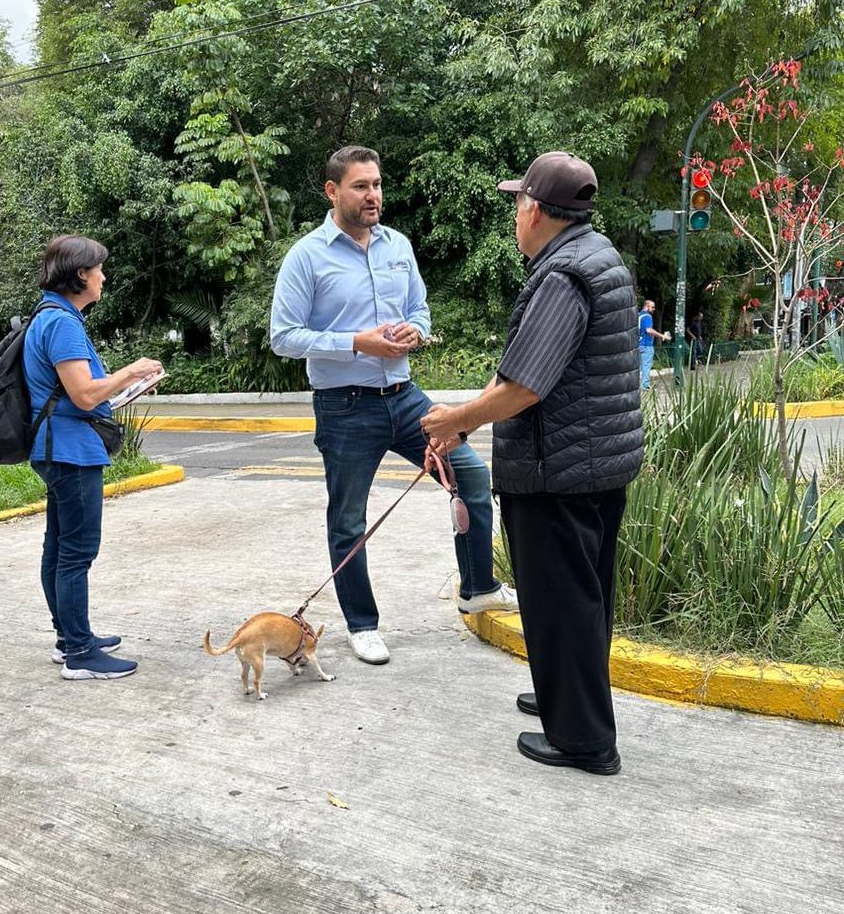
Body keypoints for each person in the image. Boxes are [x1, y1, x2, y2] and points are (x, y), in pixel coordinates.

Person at [420, 152, 644, 775]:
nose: (515, 213)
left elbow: (525, 384)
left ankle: (582, 740)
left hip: (558, 473)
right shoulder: (597, 256)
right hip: (593, 466)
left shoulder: (562, 276)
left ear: (538, 211)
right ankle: (563, 695)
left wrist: (455, 420)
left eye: (519, 202)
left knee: (561, 601)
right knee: (582, 598)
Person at [270, 145, 517, 665]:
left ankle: (477, 587)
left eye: (377, 184)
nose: (373, 195)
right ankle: (362, 625)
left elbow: (421, 309)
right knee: (348, 521)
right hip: (343, 406)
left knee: (470, 476)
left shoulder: (398, 245)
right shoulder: (306, 255)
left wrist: (416, 331)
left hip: (405, 398)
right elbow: (284, 336)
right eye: (361, 186)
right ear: (332, 191)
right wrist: (358, 343)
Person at [23, 234, 163, 680]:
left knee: (59, 549)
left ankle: (70, 639)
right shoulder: (62, 323)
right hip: (70, 451)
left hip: (57, 445)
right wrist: (132, 371)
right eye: (99, 269)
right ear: (81, 274)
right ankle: (80, 653)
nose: (104, 277)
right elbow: (84, 395)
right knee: (76, 553)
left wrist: (123, 388)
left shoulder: (49, 314)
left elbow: (74, 392)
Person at [638, 299, 670, 389]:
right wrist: (662, 335)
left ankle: (635, 385)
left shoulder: (638, 316)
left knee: (638, 367)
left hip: (637, 344)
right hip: (646, 344)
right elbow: (649, 330)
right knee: (646, 366)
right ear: (647, 306)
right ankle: (645, 385)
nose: (654, 309)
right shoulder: (647, 316)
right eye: (652, 307)